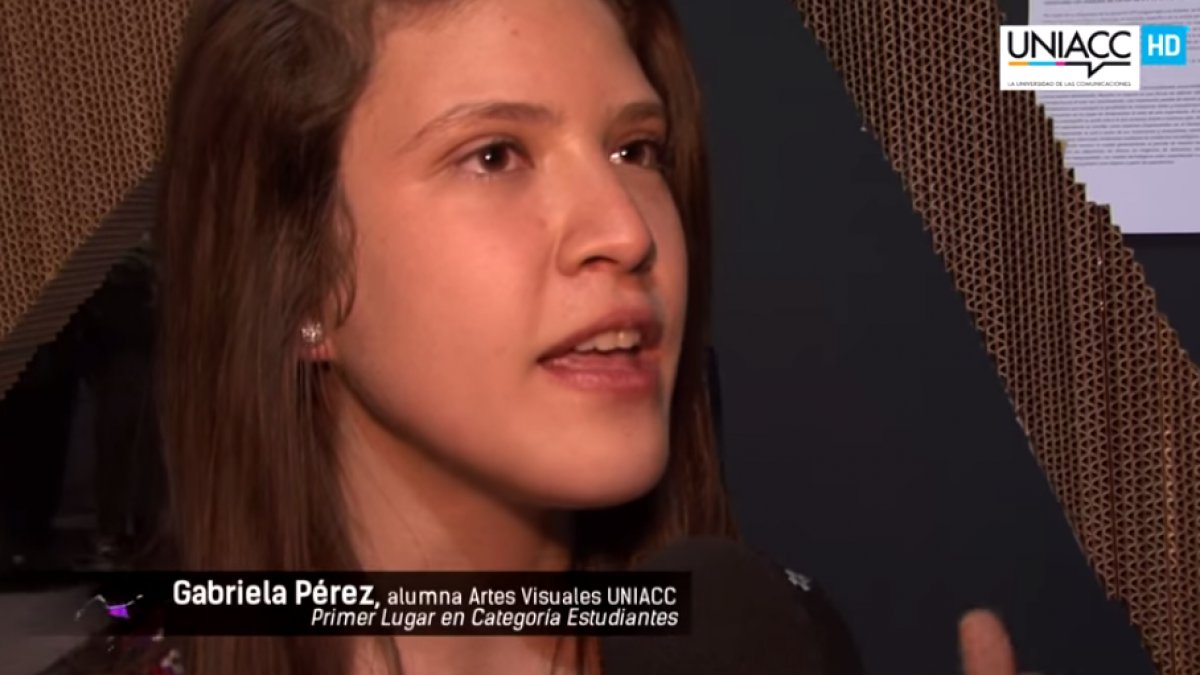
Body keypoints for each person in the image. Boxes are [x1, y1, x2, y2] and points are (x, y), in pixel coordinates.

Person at [91, 0, 1028, 673]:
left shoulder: (777, 641)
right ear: (298, 275)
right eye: (494, 154)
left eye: (636, 150)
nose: (626, 229)